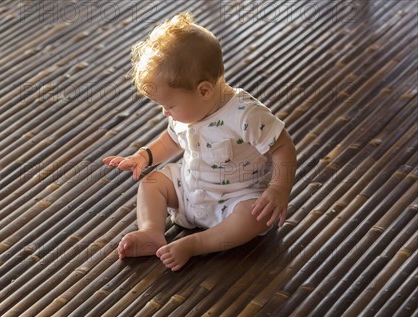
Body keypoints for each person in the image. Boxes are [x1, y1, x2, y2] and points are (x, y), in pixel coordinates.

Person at [103, 11, 297, 271]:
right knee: (152, 183)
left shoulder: (245, 114)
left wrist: (278, 189)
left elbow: (283, 146)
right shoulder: (187, 111)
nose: (165, 112)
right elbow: (172, 140)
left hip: (236, 197)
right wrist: (145, 156)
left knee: (255, 217)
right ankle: (151, 232)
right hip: (189, 187)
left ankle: (197, 244)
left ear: (204, 90)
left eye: (169, 105)